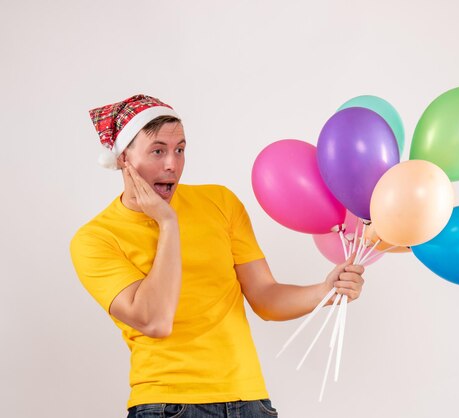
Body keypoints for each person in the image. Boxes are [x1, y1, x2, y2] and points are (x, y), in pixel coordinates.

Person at [70, 94, 365, 418]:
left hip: (250, 401)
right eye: (158, 151)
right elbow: (155, 320)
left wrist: (326, 291)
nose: (172, 164)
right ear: (124, 158)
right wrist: (167, 223)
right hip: (168, 406)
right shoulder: (95, 239)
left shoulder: (220, 203)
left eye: (180, 150)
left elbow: (265, 297)